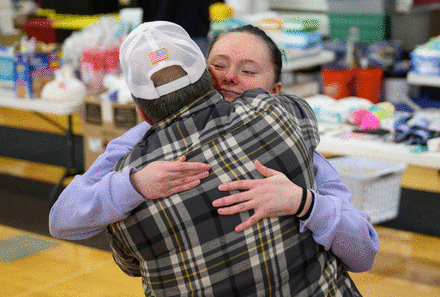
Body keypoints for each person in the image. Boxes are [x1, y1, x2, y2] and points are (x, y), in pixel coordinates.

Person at [49, 25, 378, 273]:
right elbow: (63, 219)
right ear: (201, 73)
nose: (230, 78)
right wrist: (134, 185)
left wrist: (303, 203)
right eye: (218, 65)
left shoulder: (290, 138)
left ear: (275, 92)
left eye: (248, 71)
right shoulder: (136, 143)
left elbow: (362, 254)